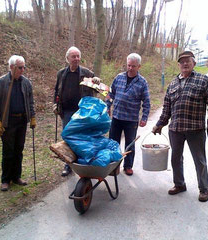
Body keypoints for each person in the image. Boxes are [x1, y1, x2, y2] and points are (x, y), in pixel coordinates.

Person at [152, 51, 208, 202]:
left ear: (194, 63)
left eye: (188, 61)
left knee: (199, 160)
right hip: (175, 129)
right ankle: (179, 184)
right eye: (182, 62)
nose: (185, 64)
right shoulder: (173, 84)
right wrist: (159, 124)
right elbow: (166, 108)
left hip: (195, 128)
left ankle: (203, 189)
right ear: (179, 65)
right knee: (176, 159)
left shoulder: (204, 80)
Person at [0, 55, 36, 191]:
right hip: (8, 122)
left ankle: (16, 177)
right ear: (11, 67)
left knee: (19, 150)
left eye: (24, 67)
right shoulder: (1, 83)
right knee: (8, 151)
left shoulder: (26, 83)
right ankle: (5, 180)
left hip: (22, 120)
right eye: (20, 67)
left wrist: (32, 117)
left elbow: (30, 102)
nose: (23, 70)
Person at [53, 46, 99, 177]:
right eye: (74, 56)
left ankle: (82, 164)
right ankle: (68, 165)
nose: (77, 59)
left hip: (82, 113)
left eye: (78, 56)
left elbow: (99, 90)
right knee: (68, 138)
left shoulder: (87, 73)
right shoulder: (61, 73)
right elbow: (57, 90)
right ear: (67, 58)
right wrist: (55, 104)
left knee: (82, 137)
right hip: (66, 112)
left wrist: (97, 82)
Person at [106, 53, 150, 176]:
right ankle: (113, 166)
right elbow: (110, 94)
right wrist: (108, 106)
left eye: (133, 66)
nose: (130, 68)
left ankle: (128, 166)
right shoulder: (119, 77)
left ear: (139, 67)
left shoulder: (142, 82)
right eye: (129, 65)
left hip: (131, 119)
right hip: (116, 117)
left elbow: (146, 102)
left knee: (130, 143)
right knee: (113, 142)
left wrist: (144, 117)